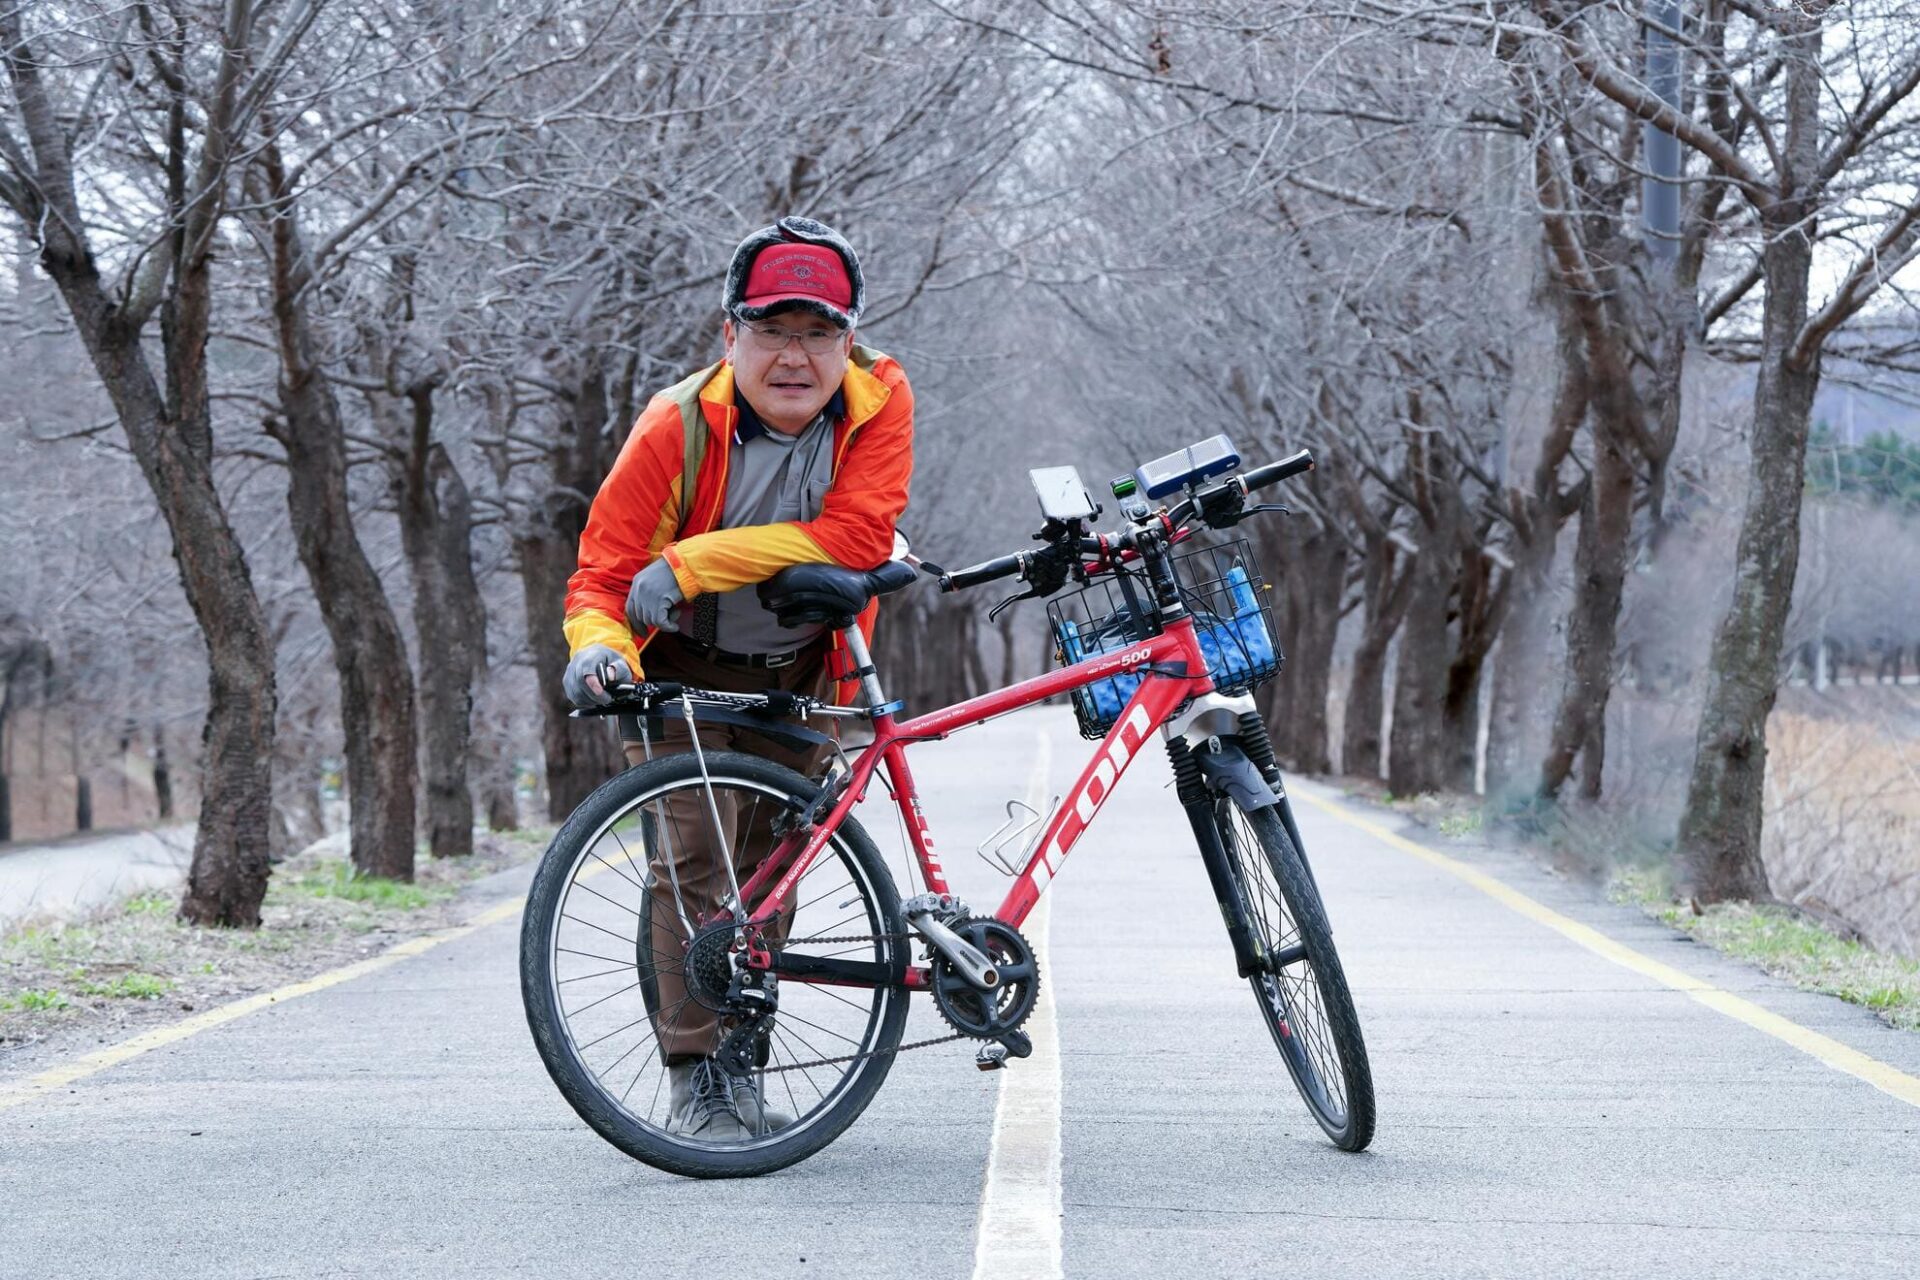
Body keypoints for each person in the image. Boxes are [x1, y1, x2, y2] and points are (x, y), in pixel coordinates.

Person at [560, 217, 913, 1140]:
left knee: (773, 869)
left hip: (803, 669)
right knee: (691, 863)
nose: (794, 356)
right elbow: (602, 576)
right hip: (683, 670)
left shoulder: (879, 399)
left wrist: (691, 563)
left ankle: (743, 1061)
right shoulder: (674, 426)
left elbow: (858, 538)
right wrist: (597, 646)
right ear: (730, 336)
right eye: (771, 329)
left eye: (818, 332)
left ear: (849, 340)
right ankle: (695, 1077)